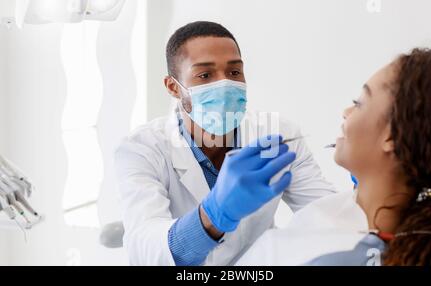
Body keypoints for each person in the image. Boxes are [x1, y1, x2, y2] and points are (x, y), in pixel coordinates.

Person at [114, 21, 336, 266]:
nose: (225, 84)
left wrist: (369, 189)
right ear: (173, 87)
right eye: (205, 75)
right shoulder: (141, 149)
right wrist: (212, 216)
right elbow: (145, 251)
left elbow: (327, 216)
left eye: (234, 72)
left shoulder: (278, 134)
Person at [236, 47, 431, 266]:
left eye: (359, 103)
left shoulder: (337, 257)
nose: (346, 112)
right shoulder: (346, 221)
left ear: (392, 135)